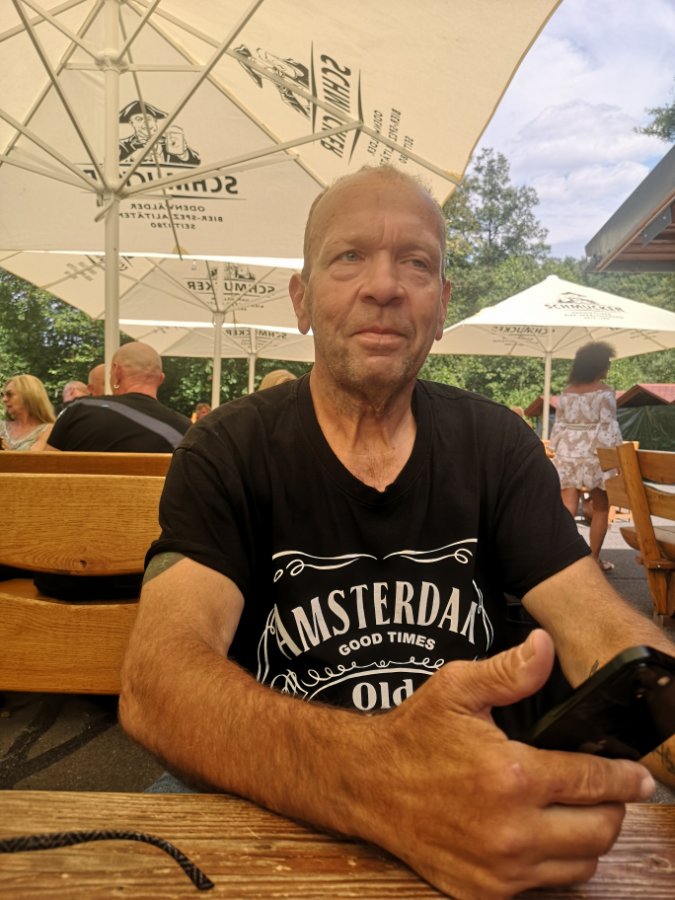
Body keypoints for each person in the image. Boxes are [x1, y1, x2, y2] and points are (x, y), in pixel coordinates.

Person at [119, 166, 674, 900]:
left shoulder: (495, 445)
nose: (383, 286)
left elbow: (596, 622)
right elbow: (158, 680)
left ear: (441, 305)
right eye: (348, 256)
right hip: (277, 790)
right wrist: (382, 776)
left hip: (477, 790)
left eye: (415, 262)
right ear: (301, 300)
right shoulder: (228, 449)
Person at [548, 342, 624, 573]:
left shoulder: (567, 393)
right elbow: (608, 428)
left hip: (568, 451)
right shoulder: (604, 392)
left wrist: (555, 448)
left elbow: (558, 426)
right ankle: (593, 560)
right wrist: (616, 459)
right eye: (607, 363)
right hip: (594, 453)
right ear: (598, 365)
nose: (608, 367)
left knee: (567, 505)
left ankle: (563, 559)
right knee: (601, 506)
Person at [45, 342, 191, 453]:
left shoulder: (78, 409)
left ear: (117, 372)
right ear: (161, 379)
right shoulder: (186, 430)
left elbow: (45, 466)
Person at [0, 374, 55, 451]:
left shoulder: (49, 430)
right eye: (3, 395)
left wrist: (6, 451)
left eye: (9, 394)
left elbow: (35, 458)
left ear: (29, 396)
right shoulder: (1, 426)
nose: (4, 399)